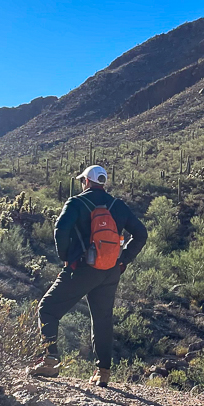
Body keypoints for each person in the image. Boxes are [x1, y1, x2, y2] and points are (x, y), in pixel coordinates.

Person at [32, 165, 147, 386]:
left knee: (47, 308)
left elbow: (60, 230)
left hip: (82, 267)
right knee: (102, 319)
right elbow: (141, 234)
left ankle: (50, 361)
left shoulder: (76, 203)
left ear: (86, 182)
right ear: (102, 183)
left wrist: (66, 257)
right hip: (110, 271)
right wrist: (123, 261)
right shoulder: (118, 205)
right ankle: (102, 372)